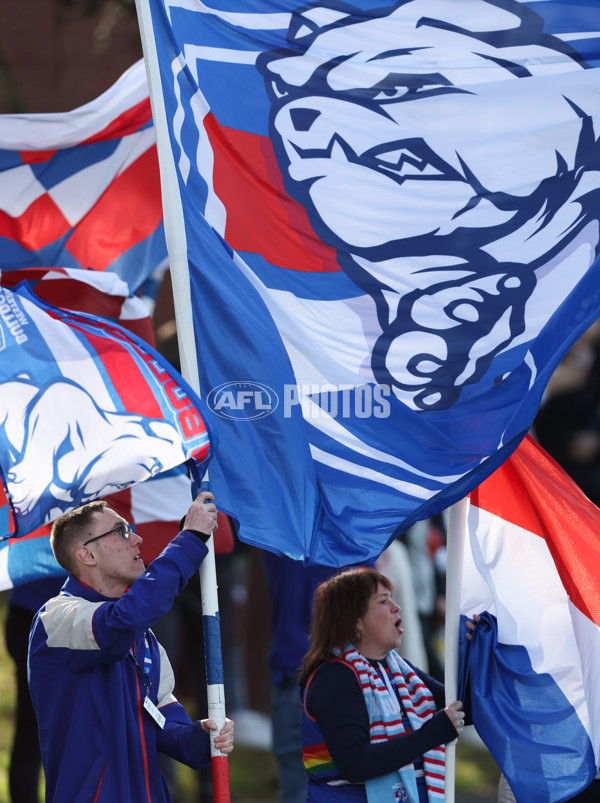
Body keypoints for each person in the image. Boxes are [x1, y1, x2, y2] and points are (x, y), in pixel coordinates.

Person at [27, 491, 234, 803]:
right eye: (122, 531)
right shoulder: (55, 618)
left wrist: (204, 736)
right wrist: (189, 539)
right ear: (87, 555)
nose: (137, 539)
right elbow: (118, 625)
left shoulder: (146, 639)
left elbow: (169, 730)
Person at [300, 567, 470, 802]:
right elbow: (355, 764)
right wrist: (432, 733)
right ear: (355, 621)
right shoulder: (334, 678)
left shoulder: (400, 670)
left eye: (391, 598)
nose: (396, 607)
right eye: (383, 601)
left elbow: (465, 708)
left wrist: (473, 647)